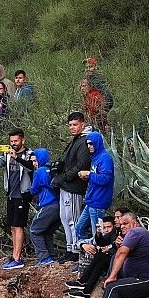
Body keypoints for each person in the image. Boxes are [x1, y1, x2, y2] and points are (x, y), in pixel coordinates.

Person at [0, 129, 34, 269]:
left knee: (19, 225)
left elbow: (31, 168)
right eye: (11, 141)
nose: (13, 144)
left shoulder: (29, 154)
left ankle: (17, 257)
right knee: (13, 226)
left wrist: (17, 158)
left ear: (23, 140)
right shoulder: (8, 154)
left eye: (16, 141)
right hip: (10, 194)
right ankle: (15, 255)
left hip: (22, 194)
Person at [53, 112, 91, 263]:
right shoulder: (76, 140)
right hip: (66, 185)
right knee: (64, 218)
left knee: (73, 219)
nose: (72, 128)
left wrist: (64, 177)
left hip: (74, 186)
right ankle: (70, 248)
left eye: (75, 124)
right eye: (70, 125)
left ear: (83, 124)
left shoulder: (84, 141)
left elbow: (81, 165)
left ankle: (76, 249)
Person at [67, 216, 119, 298]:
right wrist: (83, 245)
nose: (106, 230)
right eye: (104, 227)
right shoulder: (102, 236)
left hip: (114, 264)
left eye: (109, 227)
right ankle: (86, 291)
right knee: (100, 261)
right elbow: (78, 244)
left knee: (100, 256)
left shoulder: (117, 234)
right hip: (104, 263)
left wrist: (108, 249)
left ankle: (83, 281)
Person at [75, 131, 114, 241]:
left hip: (99, 201)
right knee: (79, 228)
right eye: (87, 144)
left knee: (98, 234)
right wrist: (88, 177)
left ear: (97, 143)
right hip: (91, 201)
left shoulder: (105, 158)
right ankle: (89, 252)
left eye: (91, 143)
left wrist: (89, 174)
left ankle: (98, 255)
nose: (89, 146)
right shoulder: (95, 158)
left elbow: (105, 179)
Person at [29, 148, 61, 266]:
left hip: (48, 205)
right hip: (58, 204)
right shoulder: (51, 169)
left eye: (34, 160)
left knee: (35, 230)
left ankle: (44, 258)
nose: (33, 164)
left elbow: (33, 190)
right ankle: (51, 255)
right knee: (47, 231)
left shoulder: (40, 171)